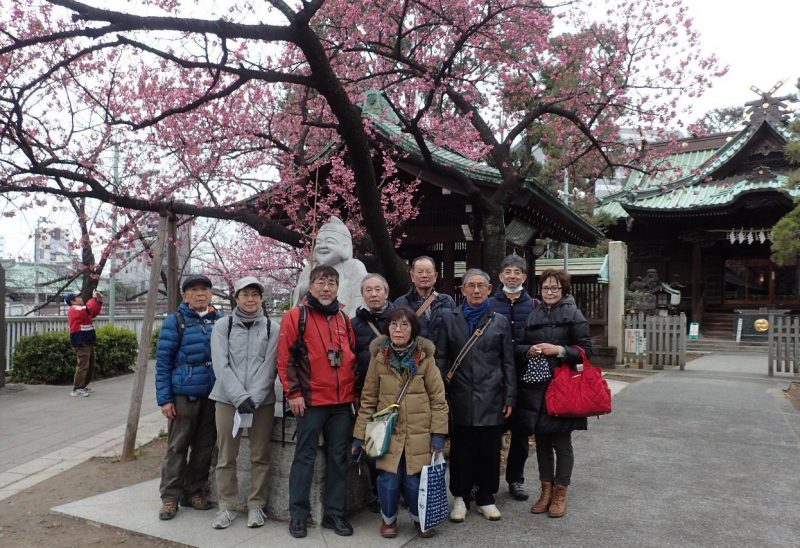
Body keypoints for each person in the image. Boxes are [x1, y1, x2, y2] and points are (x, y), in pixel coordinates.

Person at [352, 307, 449, 538]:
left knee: (414, 479)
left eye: (405, 324)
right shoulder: (379, 358)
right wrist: (359, 436)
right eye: (394, 324)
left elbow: (438, 400)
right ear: (387, 328)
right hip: (387, 430)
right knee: (388, 479)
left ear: (413, 329)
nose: (398, 329)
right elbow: (368, 399)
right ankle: (388, 520)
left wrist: (438, 435)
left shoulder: (425, 359)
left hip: (419, 430)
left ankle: (419, 519)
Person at [277, 265, 357, 539]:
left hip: (341, 402)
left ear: (337, 287)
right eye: (321, 282)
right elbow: (285, 359)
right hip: (310, 401)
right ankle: (298, 515)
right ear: (311, 286)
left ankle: (335, 514)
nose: (326, 288)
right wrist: (293, 393)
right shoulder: (296, 316)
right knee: (304, 457)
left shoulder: (343, 318)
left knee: (338, 458)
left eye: (331, 283)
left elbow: (351, 356)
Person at [435, 268, 516, 523]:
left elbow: (508, 362)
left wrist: (510, 396)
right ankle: (460, 497)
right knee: (461, 449)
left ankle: (486, 497)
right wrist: (440, 393)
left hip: (492, 395)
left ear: (490, 289)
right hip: (460, 395)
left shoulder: (499, 321)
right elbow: (441, 357)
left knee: (489, 449)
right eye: (471, 285)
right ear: (462, 290)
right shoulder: (449, 318)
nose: (476, 290)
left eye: (481, 286)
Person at [515, 269, 592, 518]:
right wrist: (529, 350)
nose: (549, 292)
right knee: (542, 443)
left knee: (561, 442)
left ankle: (560, 493)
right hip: (537, 389)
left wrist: (558, 350)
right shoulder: (534, 314)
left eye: (554, 288)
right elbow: (519, 346)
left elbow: (586, 351)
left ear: (563, 290)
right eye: (546, 288)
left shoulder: (574, 314)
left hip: (562, 388)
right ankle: (545, 491)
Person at [209, 276, 280, 530]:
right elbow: (221, 364)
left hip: (261, 401)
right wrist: (240, 397)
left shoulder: (272, 327)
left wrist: (254, 398)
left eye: (255, 295)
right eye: (245, 294)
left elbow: (270, 365)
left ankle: (256, 505)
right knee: (226, 455)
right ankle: (227, 505)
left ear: (261, 298)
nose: (251, 299)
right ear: (236, 298)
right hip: (227, 399)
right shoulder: (223, 325)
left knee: (260, 455)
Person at [155, 274, 222, 521]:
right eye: (194, 290)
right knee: (177, 446)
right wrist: (165, 399)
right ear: (185, 295)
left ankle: (193, 491)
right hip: (184, 395)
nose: (200, 294)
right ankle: (170, 497)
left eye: (205, 289)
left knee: (204, 447)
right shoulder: (176, 321)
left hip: (212, 395)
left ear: (211, 294)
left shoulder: (220, 321)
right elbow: (163, 363)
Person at [487, 255, 537, 502]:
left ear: (525, 277)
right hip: (495, 378)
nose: (512, 276)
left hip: (526, 377)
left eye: (518, 272)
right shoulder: (489, 304)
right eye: (508, 271)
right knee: (492, 432)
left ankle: (516, 479)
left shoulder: (535, 305)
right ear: (500, 276)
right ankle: (486, 481)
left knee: (521, 432)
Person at [350, 273, 396, 510]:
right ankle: (379, 495)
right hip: (369, 394)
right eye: (368, 290)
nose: (374, 294)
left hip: (397, 393)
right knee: (374, 445)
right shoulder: (355, 324)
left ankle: (399, 492)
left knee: (398, 443)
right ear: (362, 294)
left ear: (386, 293)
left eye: (378, 289)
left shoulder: (399, 318)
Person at [292, 216, 369, 316]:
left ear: (345, 247)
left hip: (345, 321)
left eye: (330, 242)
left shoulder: (353, 266)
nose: (322, 246)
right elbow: (298, 297)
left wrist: (350, 321)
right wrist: (306, 287)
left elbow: (361, 298)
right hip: (312, 320)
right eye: (318, 242)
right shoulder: (310, 269)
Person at [394, 256, 455, 341]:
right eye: (420, 272)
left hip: (441, 349)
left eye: (429, 272)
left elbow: (453, 332)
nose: (424, 275)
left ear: (435, 276)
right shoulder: (400, 303)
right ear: (412, 276)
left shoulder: (447, 301)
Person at [65, 289, 103, 397]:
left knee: (90, 365)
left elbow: (94, 312)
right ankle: (77, 388)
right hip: (80, 340)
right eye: (78, 297)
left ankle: (83, 386)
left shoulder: (81, 308)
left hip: (87, 339)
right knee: (83, 365)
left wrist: (99, 301)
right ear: (72, 301)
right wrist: (94, 298)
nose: (81, 298)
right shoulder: (74, 309)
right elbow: (89, 309)